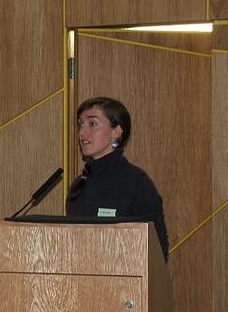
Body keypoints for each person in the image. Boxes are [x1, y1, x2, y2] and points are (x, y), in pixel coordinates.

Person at [66, 97, 169, 260]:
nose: (82, 132)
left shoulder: (137, 184)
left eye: (92, 124)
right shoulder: (79, 185)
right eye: (81, 124)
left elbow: (157, 252)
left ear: (116, 132)